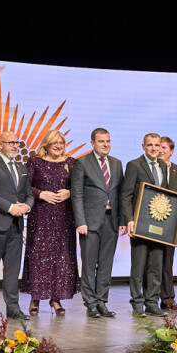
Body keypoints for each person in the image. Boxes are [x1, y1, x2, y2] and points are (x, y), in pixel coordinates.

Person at [0, 131, 34, 322]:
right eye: (10, 142)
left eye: (17, 142)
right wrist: (10, 207)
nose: (14, 146)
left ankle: (13, 307)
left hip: (16, 227)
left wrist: (27, 206)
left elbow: (29, 193)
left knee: (12, 270)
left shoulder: (22, 167)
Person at [21, 130, 78, 316]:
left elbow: (79, 187)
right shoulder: (35, 161)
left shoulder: (71, 163)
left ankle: (56, 299)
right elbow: (24, 186)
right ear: (46, 143)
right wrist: (40, 194)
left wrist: (69, 193)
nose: (59, 145)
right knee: (38, 256)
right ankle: (35, 298)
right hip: (41, 215)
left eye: (61, 142)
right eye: (55, 142)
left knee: (61, 257)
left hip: (64, 216)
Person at [72, 128, 124, 319]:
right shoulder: (82, 163)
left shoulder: (117, 164)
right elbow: (76, 194)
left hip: (111, 220)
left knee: (106, 264)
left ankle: (102, 302)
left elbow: (121, 194)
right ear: (92, 143)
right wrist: (80, 221)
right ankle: (91, 303)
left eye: (108, 141)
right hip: (90, 222)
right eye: (101, 141)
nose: (105, 145)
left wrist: (123, 220)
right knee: (88, 265)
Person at [121, 133, 169, 318]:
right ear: (143, 146)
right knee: (139, 266)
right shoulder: (134, 165)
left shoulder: (163, 166)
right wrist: (129, 219)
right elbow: (126, 195)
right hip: (140, 223)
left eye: (157, 145)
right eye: (150, 145)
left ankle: (152, 303)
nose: (154, 148)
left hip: (159, 225)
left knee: (156, 266)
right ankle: (137, 304)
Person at [158, 136, 177, 311]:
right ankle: (150, 299)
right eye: (158, 147)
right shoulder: (151, 168)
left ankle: (168, 299)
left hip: (171, 223)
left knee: (168, 261)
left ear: (171, 151)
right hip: (151, 221)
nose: (160, 150)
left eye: (164, 148)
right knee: (152, 262)